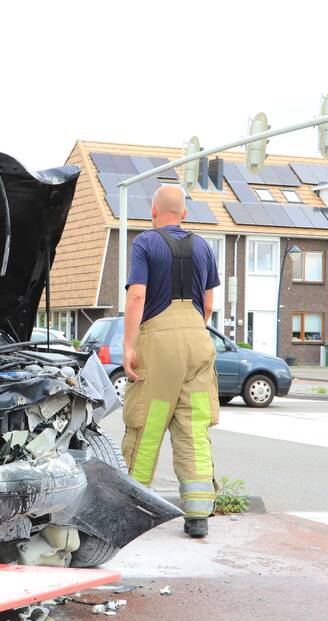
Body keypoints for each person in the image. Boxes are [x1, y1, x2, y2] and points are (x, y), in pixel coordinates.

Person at [121, 185, 221, 539]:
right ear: (184, 214)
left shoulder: (145, 243)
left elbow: (137, 295)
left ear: (153, 211)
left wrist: (129, 345)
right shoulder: (204, 246)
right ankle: (197, 515)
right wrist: (192, 332)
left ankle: (133, 508)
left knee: (148, 422)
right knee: (193, 426)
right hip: (198, 339)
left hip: (159, 344)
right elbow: (208, 305)